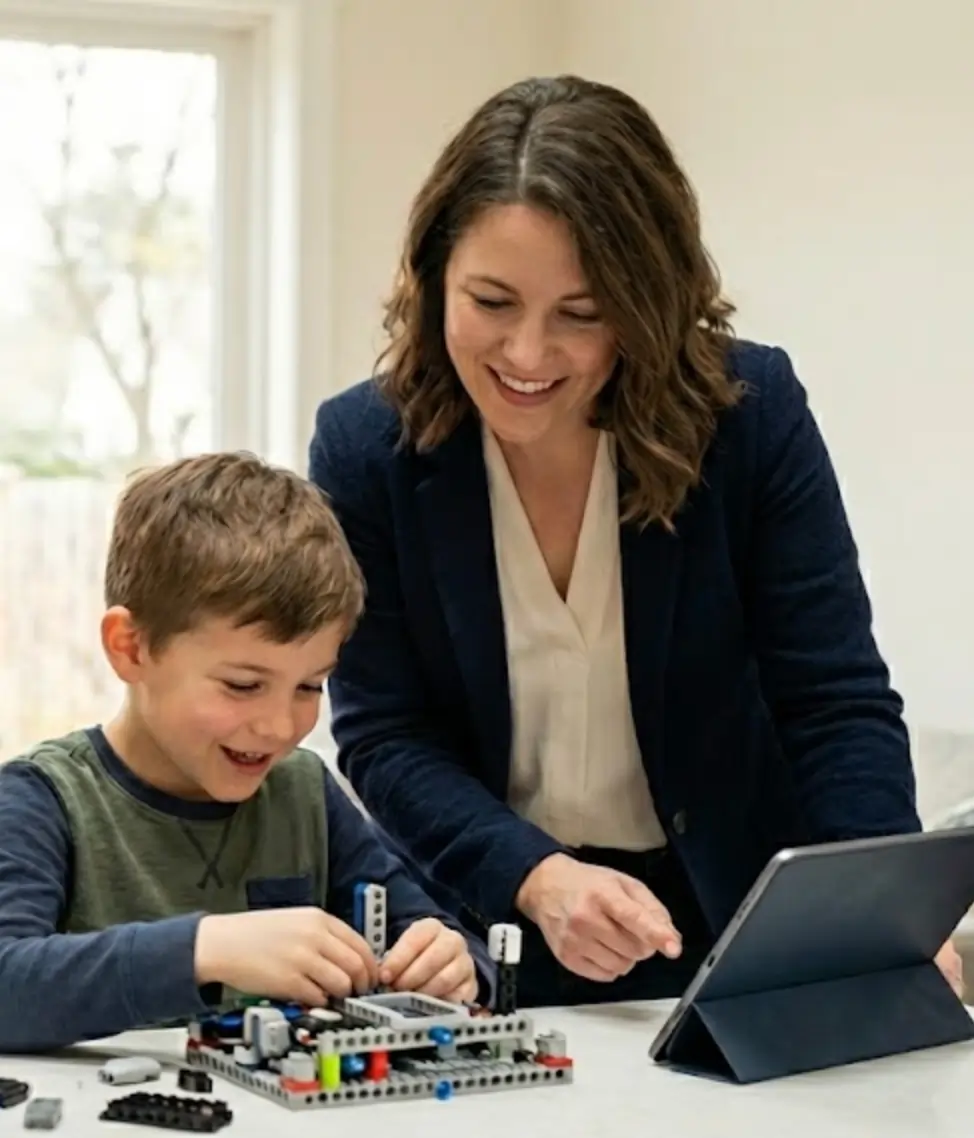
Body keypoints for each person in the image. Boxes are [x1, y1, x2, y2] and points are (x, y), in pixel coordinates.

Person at [308, 74, 963, 1007]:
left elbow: (833, 701)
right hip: (492, 926)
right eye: (491, 301)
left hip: (740, 921)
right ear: (431, 278)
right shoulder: (363, 450)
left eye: (581, 314)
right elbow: (385, 734)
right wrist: (536, 875)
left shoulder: (748, 417)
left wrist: (887, 917)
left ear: (647, 301)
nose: (527, 356)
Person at [0, 452, 494, 1053]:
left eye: (311, 686)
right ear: (130, 648)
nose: (279, 725)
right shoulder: (41, 800)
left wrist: (451, 961)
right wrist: (208, 950)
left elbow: (428, 933)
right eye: (242, 685)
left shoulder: (305, 792)